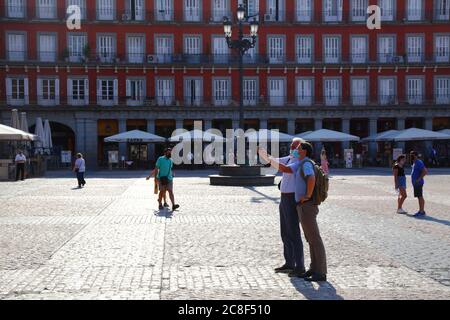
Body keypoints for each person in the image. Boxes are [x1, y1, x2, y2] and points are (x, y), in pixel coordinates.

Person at [260, 142, 327, 282]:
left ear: (304, 151)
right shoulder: (299, 162)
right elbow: (284, 168)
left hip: (307, 204)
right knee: (310, 238)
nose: (295, 149)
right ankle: (313, 268)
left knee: (314, 238)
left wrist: (307, 195)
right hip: (301, 203)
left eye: (298, 148)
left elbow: (311, 178)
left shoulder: (306, 164)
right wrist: (266, 156)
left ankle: (319, 271)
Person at [258, 138, 305, 277]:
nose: (292, 149)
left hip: (292, 198)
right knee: (285, 232)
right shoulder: (290, 158)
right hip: (284, 198)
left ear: (301, 149)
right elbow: (274, 161)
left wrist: (269, 158)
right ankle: (289, 263)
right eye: (291, 146)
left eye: (295, 147)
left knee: (294, 233)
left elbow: (282, 168)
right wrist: (264, 154)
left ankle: (300, 266)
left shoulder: (299, 162)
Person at [410, 151, 428, 217]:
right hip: (416, 183)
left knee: (420, 196)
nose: (411, 156)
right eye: (411, 155)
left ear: (416, 155)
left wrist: (419, 178)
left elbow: (425, 171)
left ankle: (421, 211)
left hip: (418, 183)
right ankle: (421, 210)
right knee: (419, 196)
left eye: (413, 155)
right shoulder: (415, 162)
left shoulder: (418, 162)